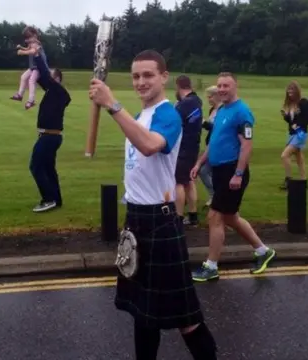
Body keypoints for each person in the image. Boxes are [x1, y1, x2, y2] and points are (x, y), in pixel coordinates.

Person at [89, 49, 218, 360]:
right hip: (136, 219)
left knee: (186, 320)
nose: (141, 81)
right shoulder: (139, 116)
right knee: (142, 313)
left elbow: (148, 146)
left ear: (164, 76)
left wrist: (112, 104)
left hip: (160, 224)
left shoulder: (168, 115)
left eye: (148, 75)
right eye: (135, 76)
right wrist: (114, 110)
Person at [190, 72, 275, 282]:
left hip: (232, 172)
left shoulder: (241, 112)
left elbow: (246, 145)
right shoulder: (221, 111)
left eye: (226, 85)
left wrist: (238, 174)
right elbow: (214, 142)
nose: (221, 89)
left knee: (215, 216)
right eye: (219, 86)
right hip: (219, 171)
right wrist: (200, 163)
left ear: (235, 86)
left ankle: (211, 266)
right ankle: (263, 251)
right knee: (230, 217)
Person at [29, 44, 71, 213]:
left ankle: (48, 199)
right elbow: (40, 76)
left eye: (51, 76)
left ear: (57, 79)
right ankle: (56, 199)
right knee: (48, 168)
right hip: (48, 136)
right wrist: (32, 60)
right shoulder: (53, 91)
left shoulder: (57, 90)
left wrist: (38, 55)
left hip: (49, 137)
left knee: (36, 166)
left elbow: (44, 74)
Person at [174, 75, 203, 225]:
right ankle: (193, 215)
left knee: (178, 182)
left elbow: (173, 122)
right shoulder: (197, 101)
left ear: (178, 87)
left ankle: (178, 216)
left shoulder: (183, 104)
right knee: (189, 180)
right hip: (193, 146)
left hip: (182, 148)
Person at [279, 80, 308, 190]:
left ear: (297, 90)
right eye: (289, 90)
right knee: (299, 157)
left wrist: (299, 124)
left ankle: (288, 179)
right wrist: (286, 116)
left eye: (292, 89)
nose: (290, 92)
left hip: (300, 134)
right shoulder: (291, 104)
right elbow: (292, 121)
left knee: (284, 155)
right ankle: (304, 180)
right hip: (292, 134)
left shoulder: (303, 103)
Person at [198, 86, 221, 207]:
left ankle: (215, 195)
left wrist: (204, 123)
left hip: (217, 147)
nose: (208, 99)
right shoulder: (213, 110)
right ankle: (215, 196)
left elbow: (218, 129)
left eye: (210, 96)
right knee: (209, 172)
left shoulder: (222, 110)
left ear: (217, 96)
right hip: (211, 145)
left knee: (203, 171)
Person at [10, 26, 42, 110]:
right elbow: (28, 48)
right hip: (32, 67)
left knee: (31, 81)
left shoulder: (37, 43)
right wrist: (21, 47)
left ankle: (31, 101)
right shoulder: (31, 44)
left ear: (35, 35)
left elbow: (33, 51)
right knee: (23, 77)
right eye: (26, 37)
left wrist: (22, 52)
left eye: (29, 37)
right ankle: (20, 95)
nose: (27, 40)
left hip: (37, 67)